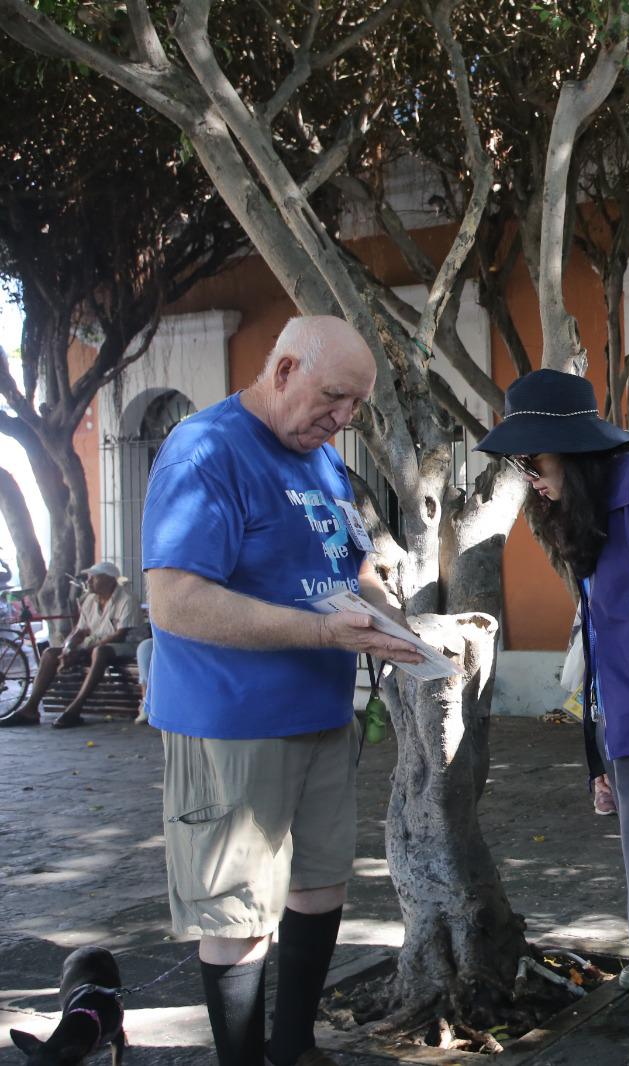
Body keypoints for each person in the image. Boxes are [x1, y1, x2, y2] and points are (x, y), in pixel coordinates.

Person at [140, 316, 423, 1066]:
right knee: (238, 912)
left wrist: (410, 629)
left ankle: (293, 1046)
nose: (342, 419)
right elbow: (175, 602)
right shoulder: (205, 450)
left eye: (356, 407)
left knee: (319, 885)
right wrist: (323, 634)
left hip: (323, 714)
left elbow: (353, 570)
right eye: (333, 398)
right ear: (286, 368)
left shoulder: (322, 460)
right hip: (232, 721)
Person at [477, 367, 629, 1066]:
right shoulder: (603, 500)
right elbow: (605, 633)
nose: (528, 475)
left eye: (533, 459)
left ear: (573, 449)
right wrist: (601, 754)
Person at [0, 561, 139, 729]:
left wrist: (85, 652)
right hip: (95, 645)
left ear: (109, 580)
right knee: (51, 654)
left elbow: (120, 635)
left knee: (100, 652)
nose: (88, 581)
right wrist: (68, 648)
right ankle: (30, 709)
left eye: (93, 578)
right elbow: (79, 631)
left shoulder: (126, 599)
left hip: (127, 645)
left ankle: (75, 709)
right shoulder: (89, 600)